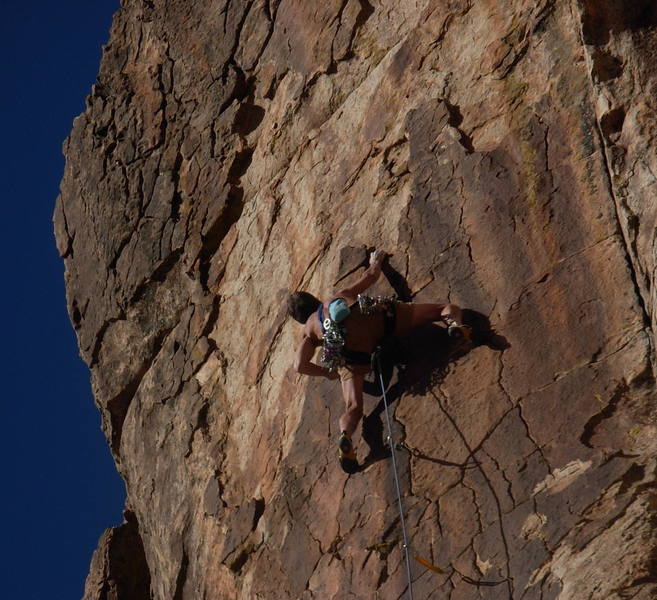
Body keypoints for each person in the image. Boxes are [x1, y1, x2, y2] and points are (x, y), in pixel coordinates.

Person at [287, 250, 470, 473]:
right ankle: (454, 326)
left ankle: (346, 435)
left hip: (349, 351)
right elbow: (371, 276)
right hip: (375, 319)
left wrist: (328, 373)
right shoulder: (337, 296)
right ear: (314, 299)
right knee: (443, 309)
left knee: (353, 406)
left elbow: (299, 366)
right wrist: (377, 261)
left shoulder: (309, 331)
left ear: (299, 319)